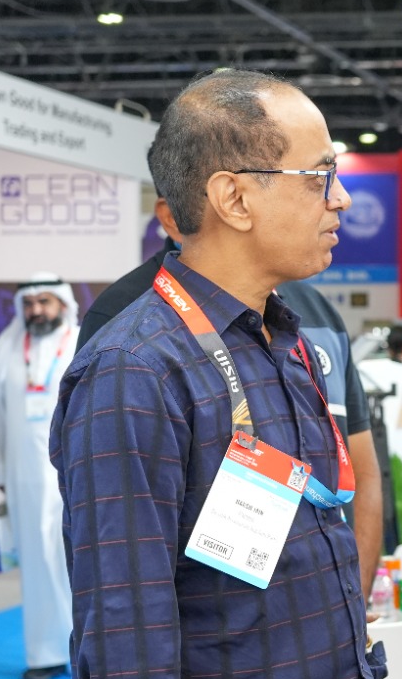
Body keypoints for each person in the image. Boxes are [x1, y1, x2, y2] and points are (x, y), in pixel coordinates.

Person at [51, 68, 385, 679]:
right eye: (320, 175)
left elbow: (324, 573)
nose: (341, 198)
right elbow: (124, 637)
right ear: (234, 197)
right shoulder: (135, 370)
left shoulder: (286, 343)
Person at [77, 203, 385, 598]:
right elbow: (123, 556)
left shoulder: (308, 315)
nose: (338, 199)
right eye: (313, 181)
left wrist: (355, 601)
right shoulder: (126, 327)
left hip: (320, 605)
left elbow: (362, 467)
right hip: (222, 612)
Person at [0, 274, 79, 679]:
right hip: (23, 476)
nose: (36, 310)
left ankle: (87, 651)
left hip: (72, 475)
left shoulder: (80, 342)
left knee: (76, 562)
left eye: (44, 301)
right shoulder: (8, 348)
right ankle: (45, 653)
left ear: (62, 304)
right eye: (29, 303)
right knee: (37, 565)